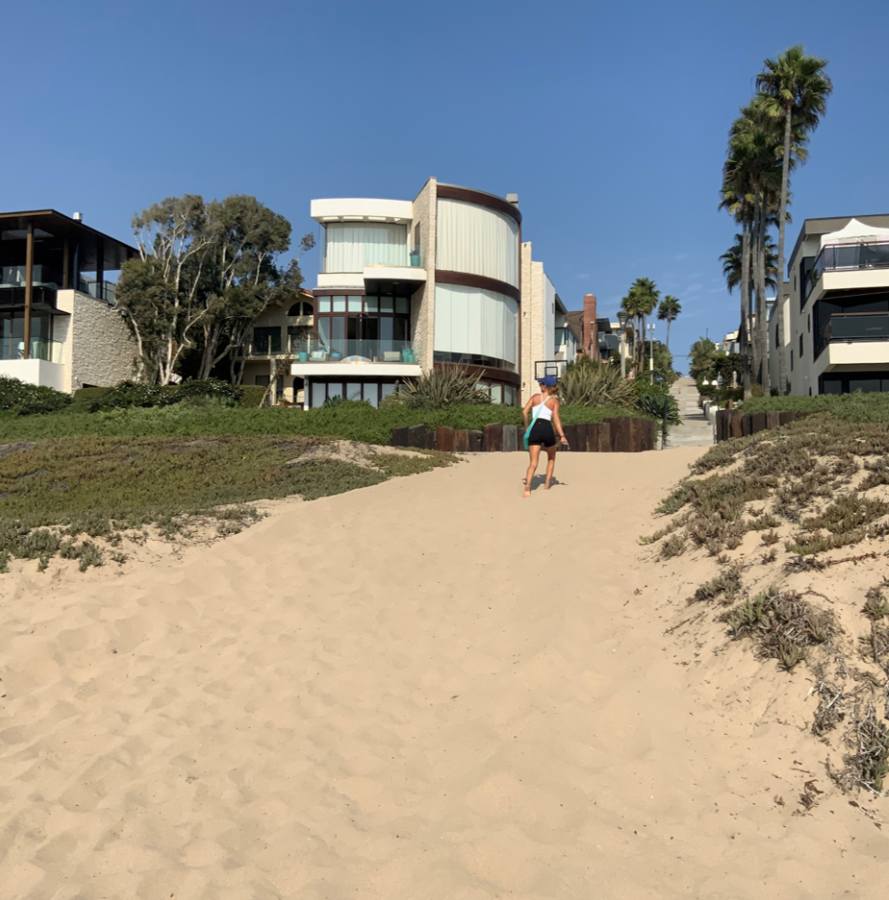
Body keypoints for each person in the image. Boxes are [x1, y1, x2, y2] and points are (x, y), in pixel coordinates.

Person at [521, 376, 567, 498]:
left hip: (535, 428)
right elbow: (556, 420)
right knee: (551, 458)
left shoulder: (535, 397)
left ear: (544, 386)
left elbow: (524, 412)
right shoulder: (554, 401)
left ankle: (528, 486)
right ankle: (547, 484)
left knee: (533, 463)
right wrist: (562, 436)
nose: (540, 385)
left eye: (541, 383)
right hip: (547, 429)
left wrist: (527, 427)